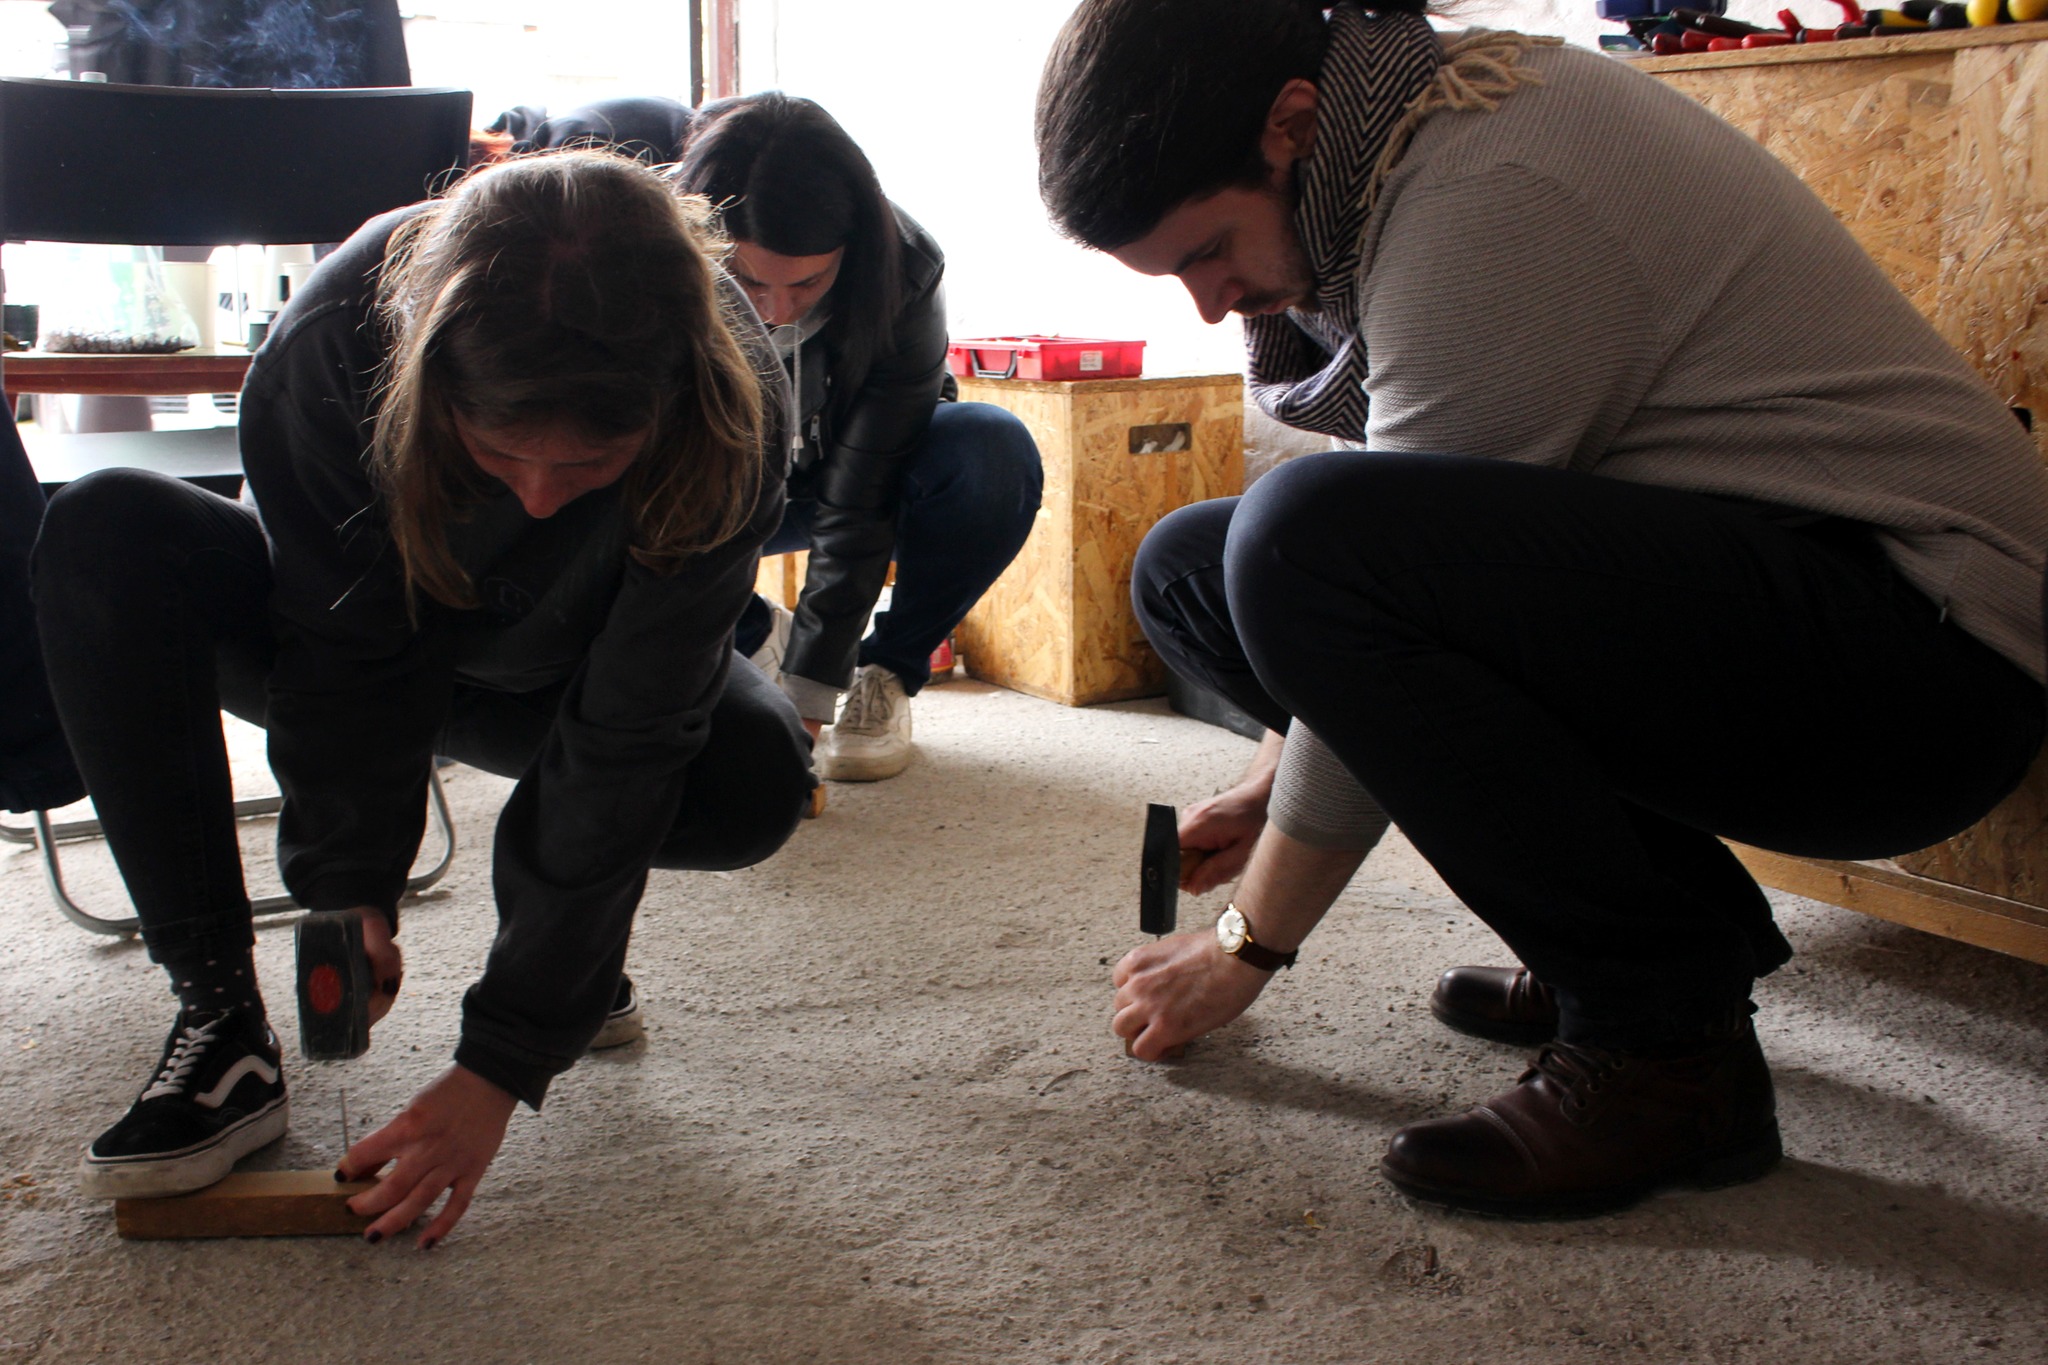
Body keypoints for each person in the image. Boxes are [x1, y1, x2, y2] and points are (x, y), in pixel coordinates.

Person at [1038, 0, 2048, 1217]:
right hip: (1803, 606)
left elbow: (1352, 571)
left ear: (1289, 125)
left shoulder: (1489, 189)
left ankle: (1662, 1048)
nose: (1211, 306)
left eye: (1206, 251)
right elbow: (1397, 558)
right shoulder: (1393, 146)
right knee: (1192, 570)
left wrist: (1241, 949)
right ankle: (1663, 941)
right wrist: (1266, 787)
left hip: (1921, 676)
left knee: (1295, 543)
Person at [32, 151, 811, 1247]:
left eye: (589, 468)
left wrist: (506, 1052)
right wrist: (347, 882)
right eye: (498, 452)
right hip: (354, 640)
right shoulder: (331, 341)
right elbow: (343, 650)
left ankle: (568, 949)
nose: (537, 499)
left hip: (572, 671)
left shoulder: (732, 400)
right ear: (430, 380)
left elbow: (632, 733)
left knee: (755, 778)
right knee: (104, 531)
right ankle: (220, 1022)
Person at [677, 93, 1044, 781]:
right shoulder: (650, 251)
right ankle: (753, 633)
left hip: (838, 480)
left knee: (988, 450)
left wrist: (804, 718)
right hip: (715, 492)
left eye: (808, 282)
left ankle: (886, 671)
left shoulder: (905, 268)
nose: (778, 311)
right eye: (748, 281)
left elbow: (861, 499)